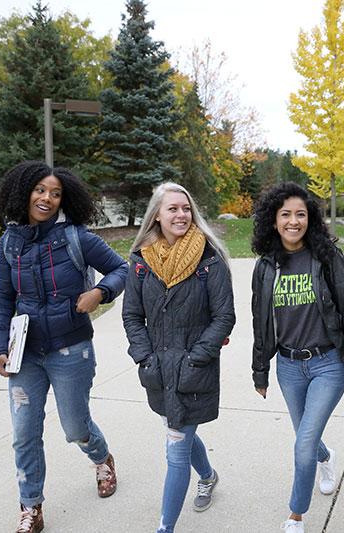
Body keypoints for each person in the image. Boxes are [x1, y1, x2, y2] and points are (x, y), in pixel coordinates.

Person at [0, 161, 128, 533]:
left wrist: (100, 292)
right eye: (40, 190)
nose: (47, 198)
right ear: (24, 193)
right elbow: (2, 298)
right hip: (26, 354)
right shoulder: (9, 243)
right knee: (24, 433)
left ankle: (101, 457)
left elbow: (122, 269)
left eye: (55, 193)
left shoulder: (76, 238)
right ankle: (30, 507)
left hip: (71, 349)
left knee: (75, 426)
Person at [251, 182, 344, 533]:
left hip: (327, 364)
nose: (293, 221)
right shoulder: (266, 266)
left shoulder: (327, 256)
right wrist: (260, 371)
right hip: (287, 366)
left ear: (310, 218)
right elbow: (260, 321)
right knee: (306, 436)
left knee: (302, 443)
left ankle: (295, 515)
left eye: (300, 214)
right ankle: (325, 458)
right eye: (285, 214)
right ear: (273, 220)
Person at [122, 182, 235, 533]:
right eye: (173, 209)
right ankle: (208, 475)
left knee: (175, 447)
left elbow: (224, 317)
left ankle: (165, 528)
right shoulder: (141, 261)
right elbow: (131, 316)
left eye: (186, 208)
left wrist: (196, 358)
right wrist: (144, 357)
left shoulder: (208, 259)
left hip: (193, 370)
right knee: (180, 427)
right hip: (157, 368)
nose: (181, 215)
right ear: (157, 215)